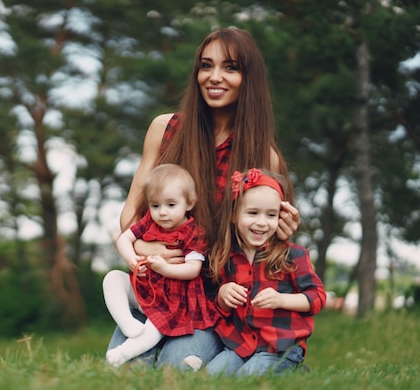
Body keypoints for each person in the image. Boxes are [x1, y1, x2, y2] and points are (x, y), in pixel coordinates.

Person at [107, 27, 302, 370]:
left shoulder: (262, 155)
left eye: (230, 67)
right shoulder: (165, 130)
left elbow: (262, 245)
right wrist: (145, 249)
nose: (214, 77)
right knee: (129, 370)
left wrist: (281, 233)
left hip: (209, 300)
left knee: (175, 369)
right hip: (156, 289)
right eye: (205, 65)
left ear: (249, 77)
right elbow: (131, 215)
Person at [205, 168, 326, 376]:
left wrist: (281, 300)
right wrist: (223, 296)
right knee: (209, 378)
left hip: (279, 347)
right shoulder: (226, 257)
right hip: (239, 345)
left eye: (271, 215)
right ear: (234, 215)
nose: (261, 222)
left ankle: (292, 369)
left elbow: (318, 298)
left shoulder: (293, 256)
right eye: (252, 213)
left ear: (281, 217)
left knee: (246, 380)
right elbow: (215, 304)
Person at [103, 164, 217, 367]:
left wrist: (165, 268)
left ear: (189, 204)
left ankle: (122, 353)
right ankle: (127, 323)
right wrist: (131, 258)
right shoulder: (149, 221)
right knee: (113, 278)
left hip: (171, 300)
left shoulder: (193, 232)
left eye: (171, 205)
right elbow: (124, 239)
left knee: (156, 327)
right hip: (144, 289)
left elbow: (193, 269)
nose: (162, 212)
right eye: (155, 206)